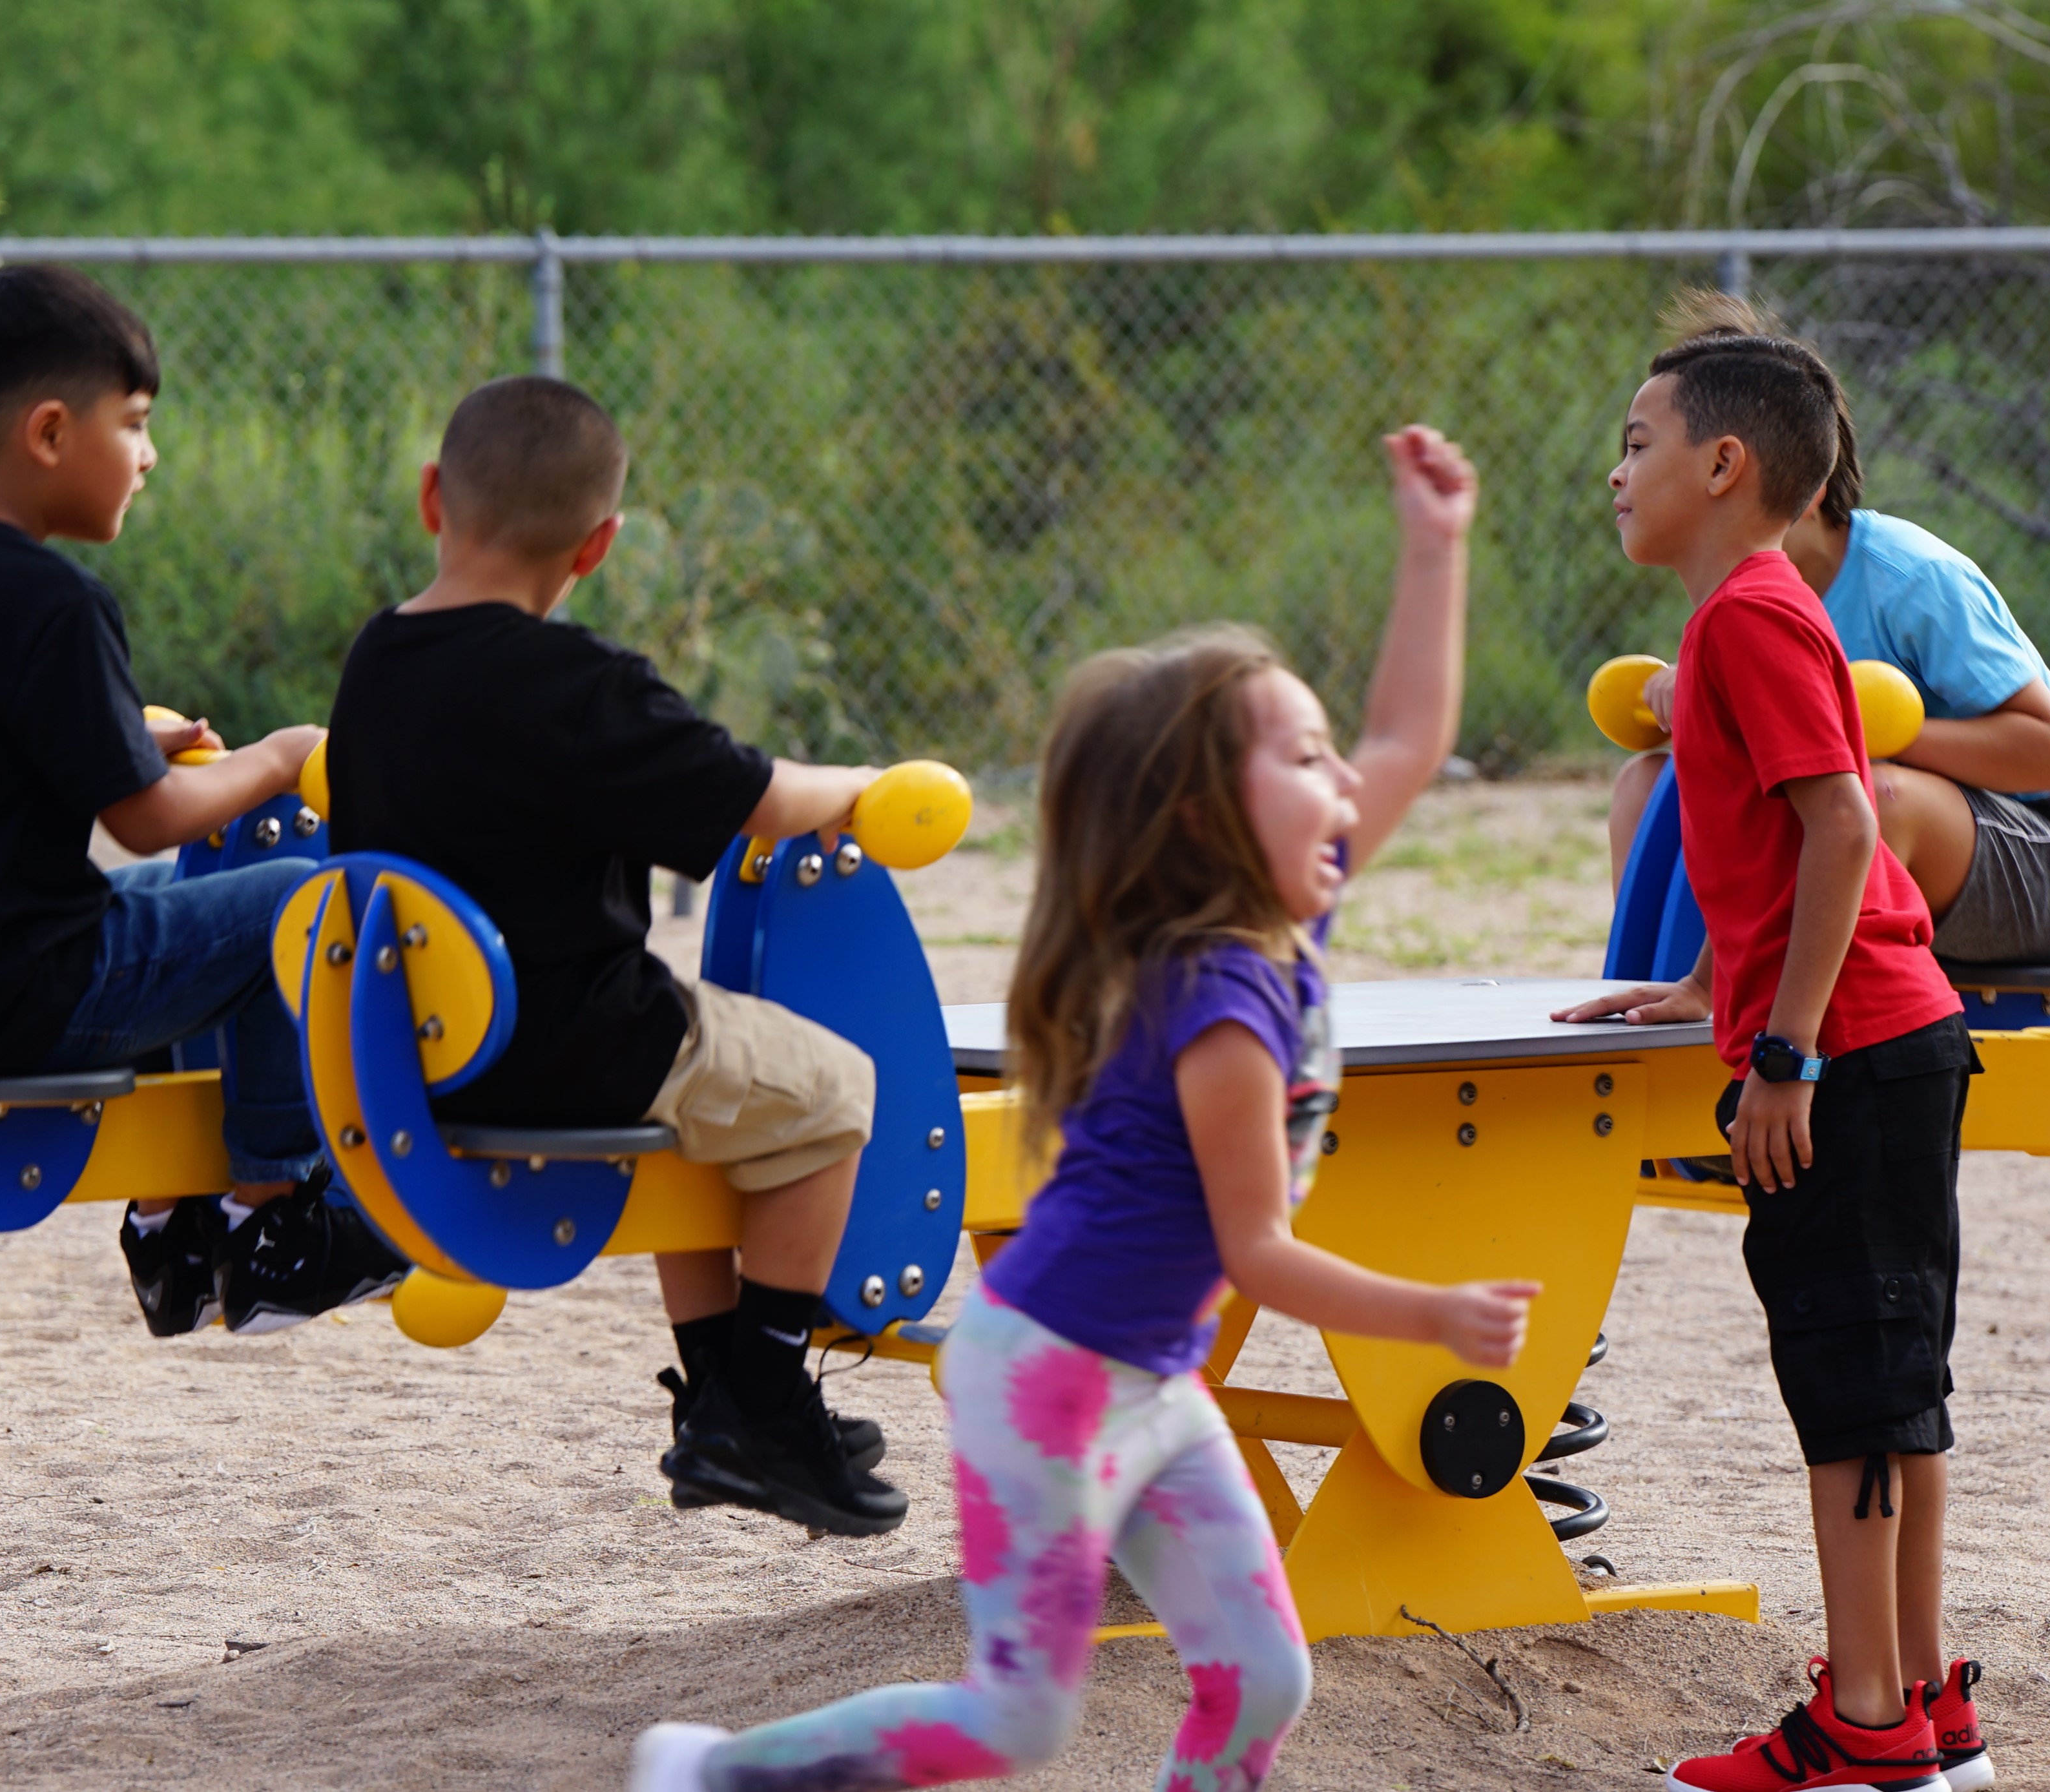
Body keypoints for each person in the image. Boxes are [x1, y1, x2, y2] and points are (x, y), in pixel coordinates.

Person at [628, 428, 1530, 1792]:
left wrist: (1436, 544)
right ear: (1202, 819)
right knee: (1019, 1714)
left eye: (1329, 755)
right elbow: (1258, 1255)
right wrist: (1434, 1315)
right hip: (1045, 1382)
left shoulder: (1283, 918)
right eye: (1304, 759)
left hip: (1150, 1382)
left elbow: (1413, 732)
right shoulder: (1219, 1012)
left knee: (1264, 1675)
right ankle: (712, 1771)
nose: (1350, 785)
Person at [325, 375, 908, 1535]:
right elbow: (761, 799)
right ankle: (769, 1397)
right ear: (598, 545)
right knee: (839, 1093)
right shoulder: (585, 689)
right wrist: (861, 787)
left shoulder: (375, 663)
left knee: (721, 1121)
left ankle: (714, 1404)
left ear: (433, 498)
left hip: (428, 1052)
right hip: (579, 1045)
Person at [1558, 295, 1988, 1792]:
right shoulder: (1751, 611)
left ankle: (1864, 1721)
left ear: (1725, 464)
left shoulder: (1742, 613)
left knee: (1852, 1390)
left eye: (1636, 443)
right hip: (1887, 1037)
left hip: (1854, 1055)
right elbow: (1775, 834)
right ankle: (1920, 1700)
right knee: (1893, 1385)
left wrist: (1783, 1053)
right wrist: (1701, 980)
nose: (1614, 471)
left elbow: (1845, 824)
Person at [0, 263, 401, 1341]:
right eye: (134, 424)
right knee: (306, 900)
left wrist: (132, 736)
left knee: (189, 888)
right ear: (50, 433)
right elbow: (143, 816)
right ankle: (271, 1210)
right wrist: (279, 759)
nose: (149, 457)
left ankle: (169, 1227)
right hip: (26, 994)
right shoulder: (56, 601)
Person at [1606, 294, 2050, 976]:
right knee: (1649, 785)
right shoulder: (1731, 596)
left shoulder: (1907, 577)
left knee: (1872, 798)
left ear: (1794, 485)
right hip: (1894, 828)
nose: (1619, 472)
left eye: (1641, 448)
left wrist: (1853, 726)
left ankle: (1773, 1014)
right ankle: (1648, 995)